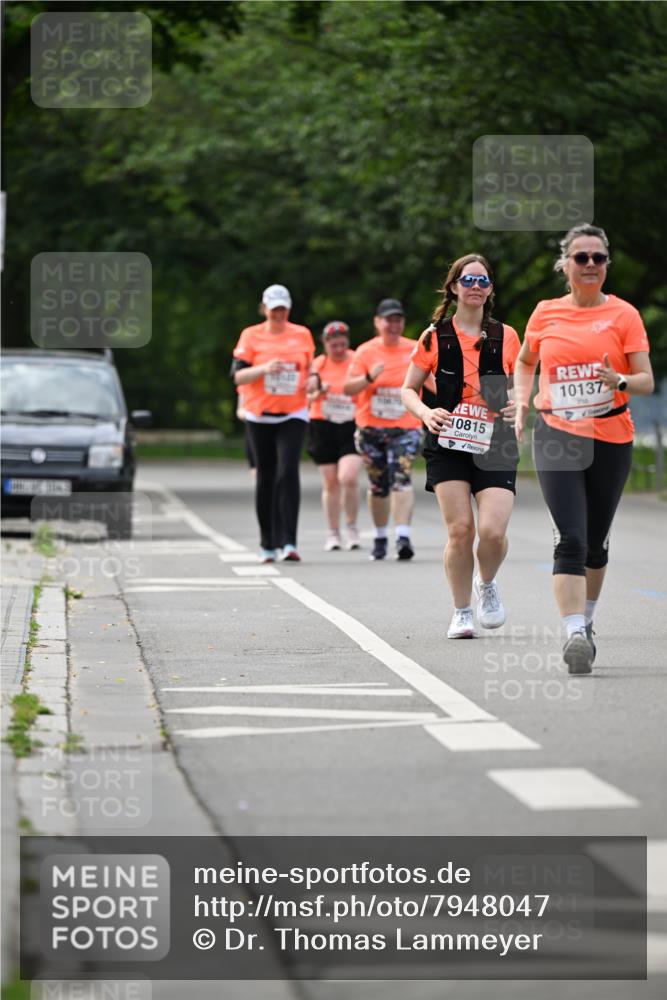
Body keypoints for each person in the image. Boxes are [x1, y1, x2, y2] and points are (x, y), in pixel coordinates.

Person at [514, 224, 653, 674]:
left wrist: (622, 381)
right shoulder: (545, 313)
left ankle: (587, 622)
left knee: (595, 543)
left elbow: (646, 380)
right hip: (557, 433)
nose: (590, 265)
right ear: (566, 265)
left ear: (607, 265)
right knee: (570, 537)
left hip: (612, 435)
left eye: (598, 258)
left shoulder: (624, 315)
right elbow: (524, 360)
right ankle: (573, 631)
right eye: (581, 258)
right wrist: (520, 403)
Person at [402, 255, 520, 638]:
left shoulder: (507, 335)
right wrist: (424, 412)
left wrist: (519, 401)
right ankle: (461, 611)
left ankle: (486, 583)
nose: (475, 286)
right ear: (453, 287)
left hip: (495, 440)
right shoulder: (433, 336)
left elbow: (521, 384)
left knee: (492, 532)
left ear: (490, 290)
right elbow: (407, 388)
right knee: (460, 531)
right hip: (449, 440)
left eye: (482, 281)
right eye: (467, 280)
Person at [231, 284, 315, 562]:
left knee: (288, 471)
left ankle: (289, 542)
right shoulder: (251, 335)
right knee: (266, 476)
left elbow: (310, 368)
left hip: (293, 412)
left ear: (288, 309)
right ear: (264, 309)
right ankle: (268, 542)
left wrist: (314, 379)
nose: (278, 314)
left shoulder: (301, 334)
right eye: (274, 309)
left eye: (283, 309)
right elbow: (238, 377)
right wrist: (264, 369)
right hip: (260, 413)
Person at [343, 299, 422, 561]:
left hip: (405, 427)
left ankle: (402, 536)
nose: (393, 324)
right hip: (371, 428)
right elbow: (348, 389)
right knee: (378, 485)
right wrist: (369, 378)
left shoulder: (415, 349)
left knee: (401, 477)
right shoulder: (365, 352)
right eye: (388, 319)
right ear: (378, 322)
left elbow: (432, 382)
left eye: (398, 319)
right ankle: (379, 536)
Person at [306, 321, 363, 551]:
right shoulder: (317, 364)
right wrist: (320, 391)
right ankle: (333, 532)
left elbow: (369, 385)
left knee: (348, 477)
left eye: (342, 344)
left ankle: (351, 527)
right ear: (325, 344)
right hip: (323, 424)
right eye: (334, 345)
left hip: (351, 423)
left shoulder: (357, 360)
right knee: (330, 482)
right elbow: (306, 397)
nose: (339, 349)